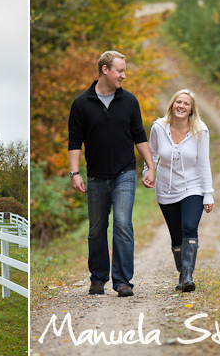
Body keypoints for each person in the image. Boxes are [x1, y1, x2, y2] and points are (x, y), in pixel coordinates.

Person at [68, 50, 156, 298]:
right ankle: (97, 279)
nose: (124, 76)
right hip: (96, 176)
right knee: (96, 229)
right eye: (120, 71)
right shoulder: (81, 103)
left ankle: (122, 281)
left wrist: (150, 166)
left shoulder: (129, 101)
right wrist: (74, 172)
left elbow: (139, 135)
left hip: (124, 173)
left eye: (124, 71)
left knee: (122, 225)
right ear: (105, 70)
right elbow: (75, 140)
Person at [144, 89, 214, 292]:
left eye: (186, 104)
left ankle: (188, 277)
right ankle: (183, 274)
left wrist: (207, 193)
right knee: (176, 235)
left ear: (192, 110)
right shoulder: (158, 127)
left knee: (189, 227)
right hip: (166, 189)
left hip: (193, 187)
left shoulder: (200, 130)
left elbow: (203, 164)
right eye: (178, 102)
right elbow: (153, 153)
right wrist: (148, 171)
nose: (182, 106)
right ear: (172, 104)